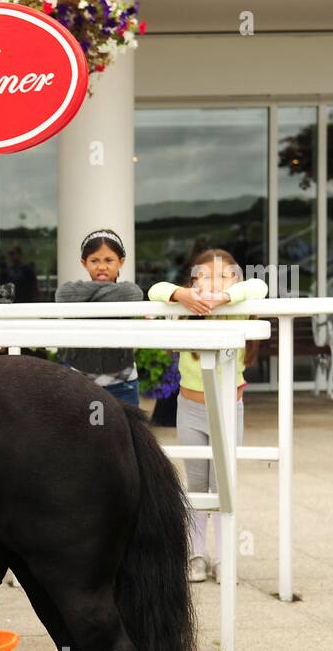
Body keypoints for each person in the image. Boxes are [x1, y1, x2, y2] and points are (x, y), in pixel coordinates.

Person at [148, 248, 267, 583]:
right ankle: (196, 555)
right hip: (191, 409)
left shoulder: (238, 309)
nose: (214, 282)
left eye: (224, 275)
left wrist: (224, 298)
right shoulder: (187, 309)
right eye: (205, 275)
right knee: (197, 484)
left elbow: (260, 287)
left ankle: (225, 558)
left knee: (223, 484)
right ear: (194, 280)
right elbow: (154, 290)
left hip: (229, 408)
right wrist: (182, 294)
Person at [55, 228, 145, 405]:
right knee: (87, 432)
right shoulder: (69, 290)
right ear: (84, 263)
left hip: (123, 383)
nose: (102, 266)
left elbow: (134, 294)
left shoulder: (128, 291)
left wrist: (88, 297)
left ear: (121, 262)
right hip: (82, 381)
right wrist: (105, 292)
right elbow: (63, 295)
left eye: (108, 260)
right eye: (94, 260)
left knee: (125, 431)